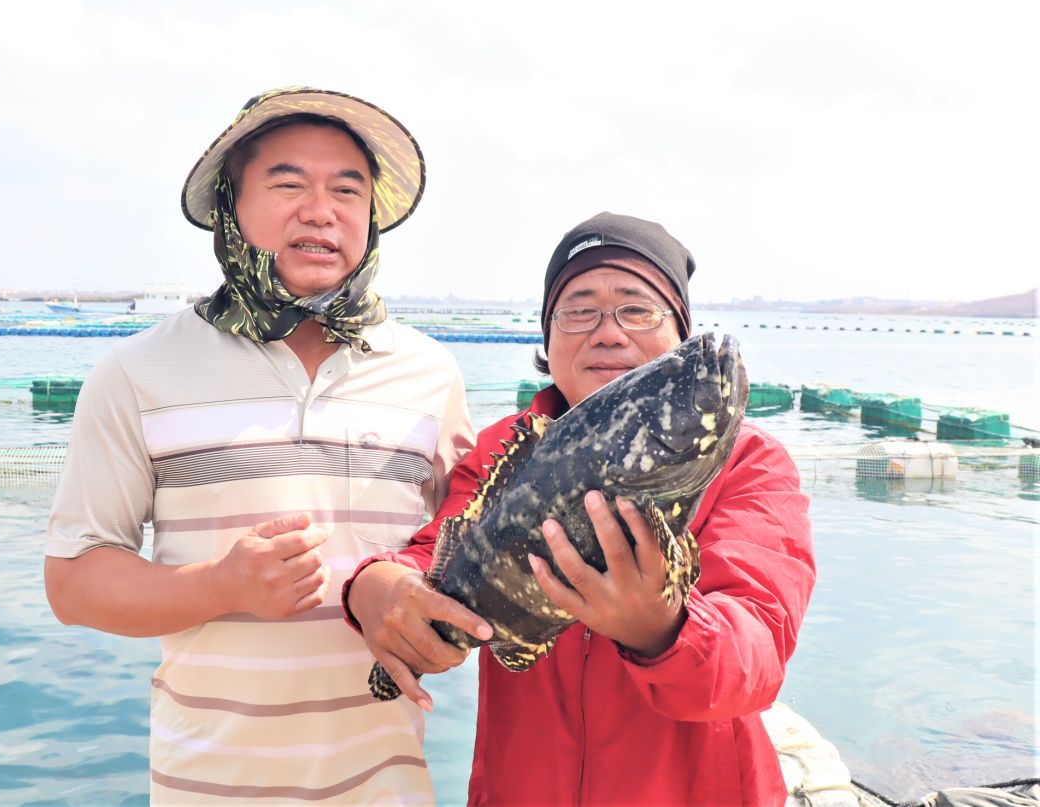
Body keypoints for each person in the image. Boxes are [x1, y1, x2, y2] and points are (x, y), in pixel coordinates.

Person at [44, 86, 475, 805]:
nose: (321, 209)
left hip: (389, 786)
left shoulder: (430, 374)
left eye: (348, 188)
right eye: (287, 183)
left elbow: (458, 556)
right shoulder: (137, 371)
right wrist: (218, 587)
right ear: (230, 206)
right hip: (206, 788)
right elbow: (73, 581)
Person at [344, 212, 816, 806]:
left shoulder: (751, 464)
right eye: (579, 309)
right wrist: (376, 587)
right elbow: (431, 557)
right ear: (548, 337)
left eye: (637, 309)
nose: (608, 332)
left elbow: (757, 651)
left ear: (680, 331)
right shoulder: (503, 449)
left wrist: (661, 629)